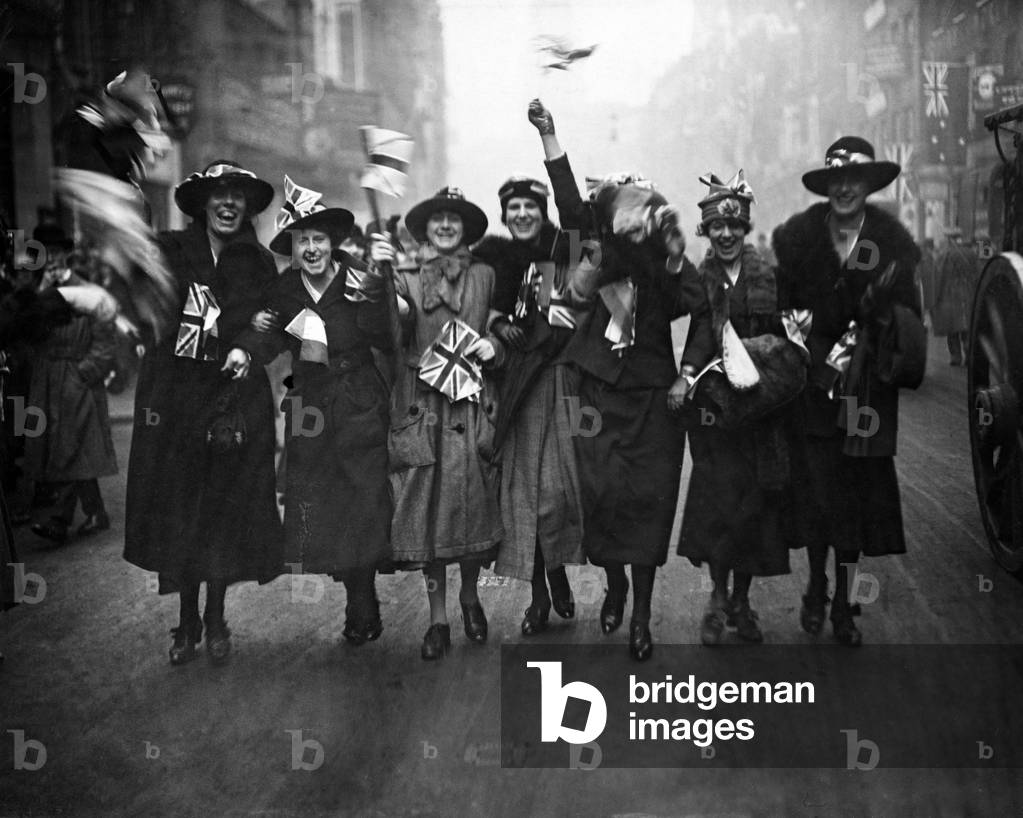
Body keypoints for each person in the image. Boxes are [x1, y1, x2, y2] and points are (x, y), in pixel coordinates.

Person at [527, 99, 713, 661]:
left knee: (649, 507)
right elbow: (568, 202)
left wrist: (686, 374)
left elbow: (703, 311)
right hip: (597, 393)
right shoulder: (595, 252)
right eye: (621, 210)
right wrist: (550, 136)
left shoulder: (666, 260)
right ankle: (615, 585)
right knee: (601, 500)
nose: (630, 220)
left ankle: (641, 618)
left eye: (640, 211)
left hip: (655, 399)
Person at [124, 161, 284, 666]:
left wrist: (248, 346)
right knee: (181, 510)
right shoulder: (171, 250)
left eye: (237, 195)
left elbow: (274, 324)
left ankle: (215, 618)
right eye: (219, 194)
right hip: (176, 399)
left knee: (223, 512)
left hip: (234, 402)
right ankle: (186, 620)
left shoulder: (258, 261)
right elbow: (146, 300)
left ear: (247, 206)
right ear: (203, 203)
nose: (228, 203)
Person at [772, 136, 923, 646]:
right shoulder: (798, 240)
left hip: (867, 389)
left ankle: (843, 604)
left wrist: (879, 322)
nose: (844, 189)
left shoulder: (892, 245)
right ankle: (817, 584)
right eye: (836, 181)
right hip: (814, 385)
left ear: (868, 186)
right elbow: (784, 309)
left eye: (853, 181)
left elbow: (910, 318)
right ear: (826, 187)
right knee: (817, 495)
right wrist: (805, 344)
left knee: (856, 499)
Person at [236, 177, 393, 646]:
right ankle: (351, 584)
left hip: (358, 396)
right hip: (310, 405)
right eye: (302, 240)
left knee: (364, 497)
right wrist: (248, 339)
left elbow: (385, 335)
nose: (311, 249)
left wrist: (380, 294)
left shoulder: (359, 277)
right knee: (324, 501)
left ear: (333, 242)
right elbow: (267, 339)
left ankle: (362, 596)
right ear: (293, 247)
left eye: (319, 239)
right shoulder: (284, 291)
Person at [371, 187, 505, 660]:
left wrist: (495, 345)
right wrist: (383, 278)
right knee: (427, 517)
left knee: (470, 509)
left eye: (454, 218)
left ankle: (469, 595)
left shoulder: (486, 274)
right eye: (437, 218)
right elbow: (391, 330)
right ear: (425, 228)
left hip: (469, 405)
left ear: (465, 228)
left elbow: (502, 325)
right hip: (423, 407)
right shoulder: (405, 275)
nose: (445, 225)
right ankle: (438, 619)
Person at [676, 171, 800, 645]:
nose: (726, 234)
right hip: (716, 412)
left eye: (734, 226)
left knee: (755, 510)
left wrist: (767, 354)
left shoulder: (770, 276)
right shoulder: (698, 279)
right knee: (718, 507)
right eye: (717, 226)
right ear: (706, 231)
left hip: (762, 411)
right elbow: (696, 332)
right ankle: (717, 597)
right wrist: (689, 374)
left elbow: (792, 337)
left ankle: (742, 602)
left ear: (745, 229)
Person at [474, 176, 583, 635]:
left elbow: (578, 219)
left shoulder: (565, 248)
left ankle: (557, 570)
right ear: (504, 215)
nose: (522, 214)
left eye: (530, 206)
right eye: (514, 207)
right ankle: (540, 595)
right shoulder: (492, 259)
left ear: (544, 211)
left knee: (555, 494)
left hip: (560, 379)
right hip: (515, 385)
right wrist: (497, 323)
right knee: (522, 497)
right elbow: (476, 307)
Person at [25, 224, 118, 543]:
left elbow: (106, 336)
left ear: (66, 255)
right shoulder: (37, 292)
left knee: (70, 444)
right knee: (66, 446)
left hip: (76, 376)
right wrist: (40, 295)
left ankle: (59, 520)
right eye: (44, 254)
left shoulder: (86, 290)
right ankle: (95, 512)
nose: (50, 260)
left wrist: (86, 371)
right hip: (47, 377)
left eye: (55, 253)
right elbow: (27, 332)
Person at [929, 231, 980, 366]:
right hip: (968, 292)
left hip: (949, 294)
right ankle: (969, 354)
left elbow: (938, 277)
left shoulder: (944, 255)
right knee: (966, 326)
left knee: (952, 329)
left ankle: (955, 357)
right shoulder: (971, 253)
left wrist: (935, 297)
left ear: (949, 239)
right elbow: (977, 274)